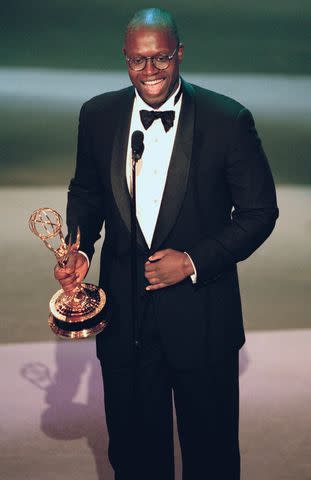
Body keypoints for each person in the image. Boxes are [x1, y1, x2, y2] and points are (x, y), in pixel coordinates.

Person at [54, 7, 278, 480]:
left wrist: (194, 261)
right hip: (124, 323)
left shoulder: (227, 119)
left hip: (202, 318)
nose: (150, 72)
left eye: (160, 59)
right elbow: (87, 192)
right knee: (134, 459)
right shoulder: (98, 115)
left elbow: (260, 214)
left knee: (211, 459)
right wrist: (81, 249)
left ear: (179, 54)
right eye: (138, 61)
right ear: (125, 58)